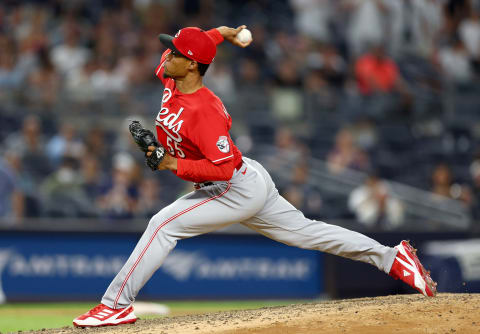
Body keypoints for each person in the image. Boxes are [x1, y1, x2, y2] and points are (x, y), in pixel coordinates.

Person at [73, 25, 436, 328]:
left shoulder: (206, 111)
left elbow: (224, 168)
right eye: (170, 51)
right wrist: (220, 33)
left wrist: (172, 165)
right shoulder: (173, 78)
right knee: (309, 232)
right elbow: (202, 47)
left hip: (232, 186)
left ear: (192, 66)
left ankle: (116, 303)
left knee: (162, 224)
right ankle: (391, 257)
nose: (167, 56)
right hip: (246, 180)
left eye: (176, 53)